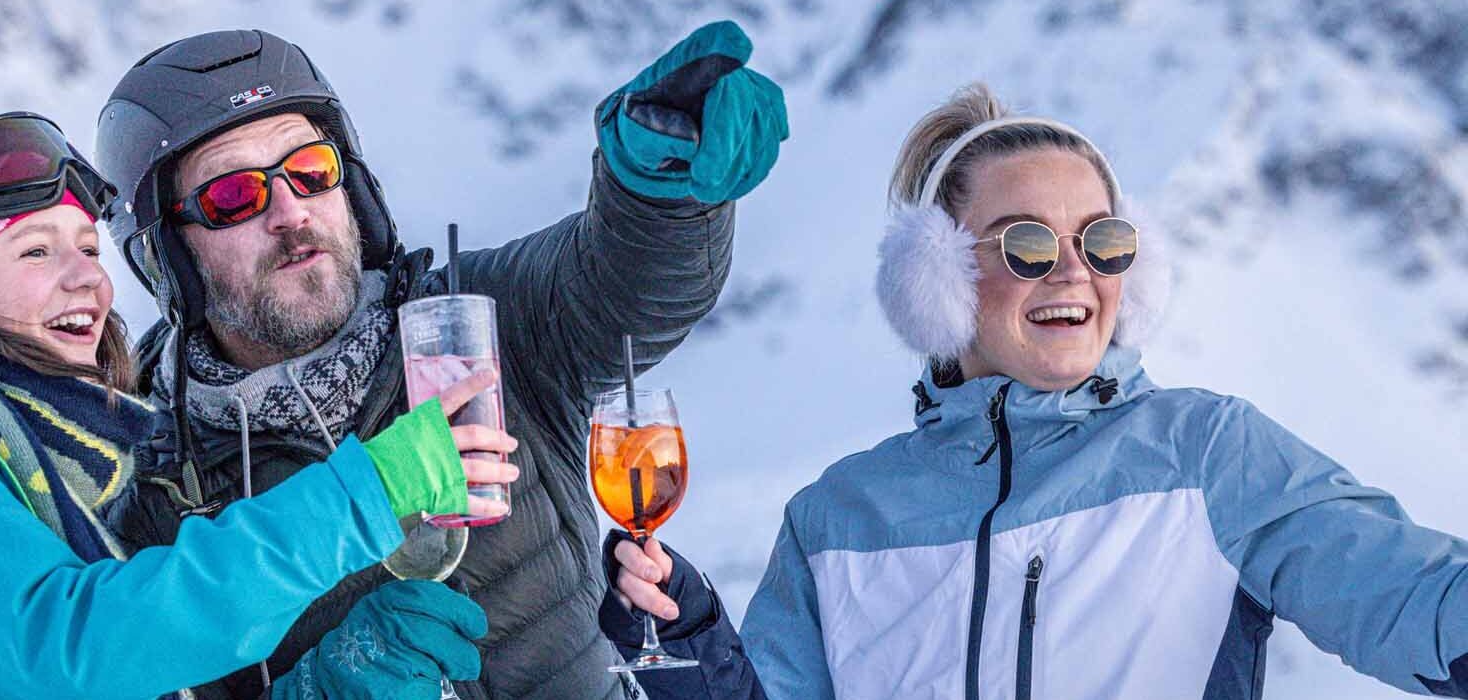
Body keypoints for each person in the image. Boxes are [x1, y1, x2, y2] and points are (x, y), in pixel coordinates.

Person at [606, 83, 1468, 699]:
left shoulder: (1208, 455)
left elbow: (1411, 600)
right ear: (932, 273)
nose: (1072, 269)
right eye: (1024, 242)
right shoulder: (836, 517)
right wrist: (689, 639)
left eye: (1104, 240)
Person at [92, 19, 787, 700]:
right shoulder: (144, 484)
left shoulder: (477, 320)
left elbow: (625, 285)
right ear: (164, 254)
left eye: (311, 170)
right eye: (233, 196)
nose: (291, 211)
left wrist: (658, 188)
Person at [0, 112, 522, 699]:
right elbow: (80, 651)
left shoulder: (54, 475)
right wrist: (367, 495)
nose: (87, 279)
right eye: (35, 252)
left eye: (87, 248)